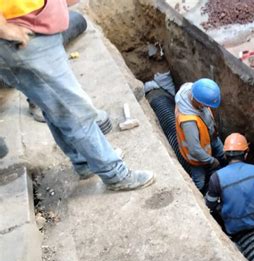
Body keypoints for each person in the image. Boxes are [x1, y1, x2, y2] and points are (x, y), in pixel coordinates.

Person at [0, 0, 155, 191]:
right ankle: (115, 174)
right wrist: (4, 28)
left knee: (54, 106)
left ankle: (84, 162)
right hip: (23, 39)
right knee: (75, 111)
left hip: (34, 33)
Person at [205, 133, 254, 236]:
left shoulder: (216, 177)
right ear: (246, 153)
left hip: (233, 226)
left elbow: (210, 205)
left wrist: (221, 208)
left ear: (225, 155)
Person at [175, 78, 225, 192]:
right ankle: (201, 197)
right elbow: (194, 150)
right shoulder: (189, 122)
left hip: (211, 138)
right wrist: (211, 161)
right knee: (199, 183)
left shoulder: (192, 89)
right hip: (196, 157)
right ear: (199, 102)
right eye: (206, 105)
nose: (209, 108)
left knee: (224, 154)